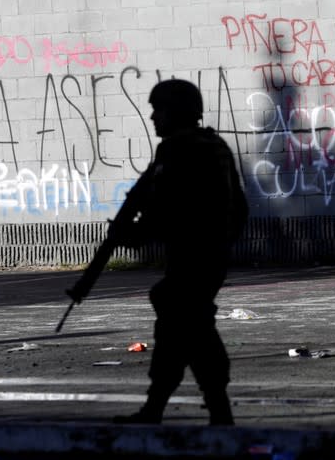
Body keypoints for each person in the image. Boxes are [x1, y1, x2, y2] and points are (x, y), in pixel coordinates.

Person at [112, 78, 248, 426]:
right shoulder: (212, 145)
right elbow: (239, 207)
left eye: (160, 110)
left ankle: (210, 410)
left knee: (186, 327)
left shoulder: (181, 149)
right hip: (209, 256)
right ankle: (181, 408)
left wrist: (133, 235)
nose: (154, 117)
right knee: (181, 328)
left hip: (195, 256)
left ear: (178, 111)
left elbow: (165, 209)